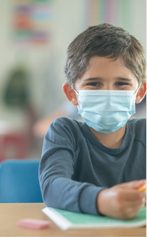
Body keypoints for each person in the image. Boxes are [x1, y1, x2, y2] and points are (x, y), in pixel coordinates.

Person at [39, 23, 146, 220]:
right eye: (94, 84)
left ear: (139, 92)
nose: (108, 94)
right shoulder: (64, 131)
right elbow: (52, 187)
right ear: (72, 94)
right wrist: (102, 200)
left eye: (121, 84)